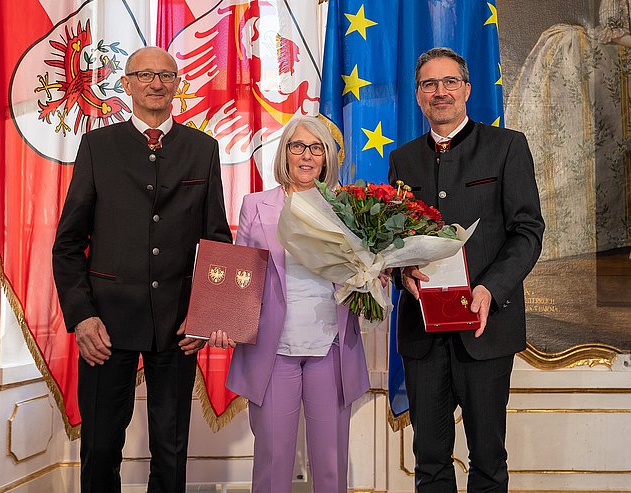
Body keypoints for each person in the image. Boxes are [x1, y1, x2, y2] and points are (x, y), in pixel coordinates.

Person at [52, 46, 232, 493]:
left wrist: (207, 313)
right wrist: (82, 316)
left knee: (171, 450)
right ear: (126, 84)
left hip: (178, 324)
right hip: (104, 325)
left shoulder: (202, 149)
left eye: (166, 75)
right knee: (99, 446)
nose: (157, 83)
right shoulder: (98, 147)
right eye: (146, 75)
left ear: (177, 85)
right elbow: (68, 244)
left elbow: (217, 241)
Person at [388, 47, 544, 493]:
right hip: (422, 336)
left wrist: (489, 289)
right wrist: (402, 273)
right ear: (418, 95)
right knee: (430, 461)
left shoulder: (507, 147)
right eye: (429, 84)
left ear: (467, 89)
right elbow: (395, 245)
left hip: (486, 329)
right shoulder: (403, 160)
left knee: (489, 460)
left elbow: (528, 232)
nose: (440, 92)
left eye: (449, 82)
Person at [208, 116, 370, 493]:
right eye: (298, 146)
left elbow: (366, 270)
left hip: (331, 349)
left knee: (330, 464)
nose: (307, 155)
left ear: (328, 157)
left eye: (317, 148)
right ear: (285, 153)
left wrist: (372, 281)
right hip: (273, 350)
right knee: (272, 461)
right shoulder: (256, 205)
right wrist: (223, 320)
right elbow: (242, 273)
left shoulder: (349, 208)